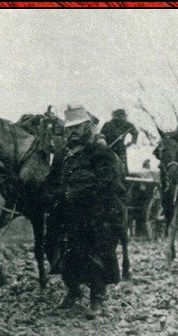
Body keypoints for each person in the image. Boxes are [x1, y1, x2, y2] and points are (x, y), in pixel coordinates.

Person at [58, 105, 126, 319]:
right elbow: (56, 181)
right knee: (64, 253)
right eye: (69, 129)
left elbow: (109, 183)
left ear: (88, 126)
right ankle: (73, 291)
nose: (73, 132)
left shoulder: (102, 151)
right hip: (72, 213)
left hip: (100, 212)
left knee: (96, 253)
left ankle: (98, 299)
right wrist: (56, 196)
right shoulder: (67, 155)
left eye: (77, 127)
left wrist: (84, 195)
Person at [100, 109, 138, 177]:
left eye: (122, 116)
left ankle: (123, 177)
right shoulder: (108, 124)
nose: (120, 117)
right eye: (119, 115)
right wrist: (103, 143)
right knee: (109, 164)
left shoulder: (127, 124)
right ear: (115, 116)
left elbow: (135, 132)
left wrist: (132, 142)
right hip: (109, 147)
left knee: (121, 165)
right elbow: (101, 135)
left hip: (120, 148)